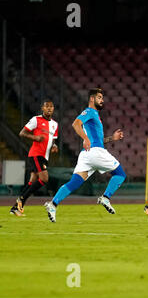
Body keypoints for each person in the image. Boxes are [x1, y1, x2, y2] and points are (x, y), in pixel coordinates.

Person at [44, 88, 126, 222]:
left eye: (102, 98)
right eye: (99, 97)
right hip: (95, 152)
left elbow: (98, 140)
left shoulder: (94, 116)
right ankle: (106, 197)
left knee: (75, 182)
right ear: (92, 99)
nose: (102, 100)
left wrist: (112, 138)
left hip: (87, 155)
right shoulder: (89, 111)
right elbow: (75, 124)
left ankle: (53, 204)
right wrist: (86, 139)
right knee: (120, 174)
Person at [9, 100, 59, 216]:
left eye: (51, 106)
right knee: (44, 178)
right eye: (47, 106)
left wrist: (54, 146)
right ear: (42, 108)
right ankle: (20, 200)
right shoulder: (36, 120)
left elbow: (53, 139)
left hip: (45, 156)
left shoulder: (55, 124)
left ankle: (16, 208)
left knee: (32, 181)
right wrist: (35, 138)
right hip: (36, 154)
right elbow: (22, 133)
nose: (49, 108)